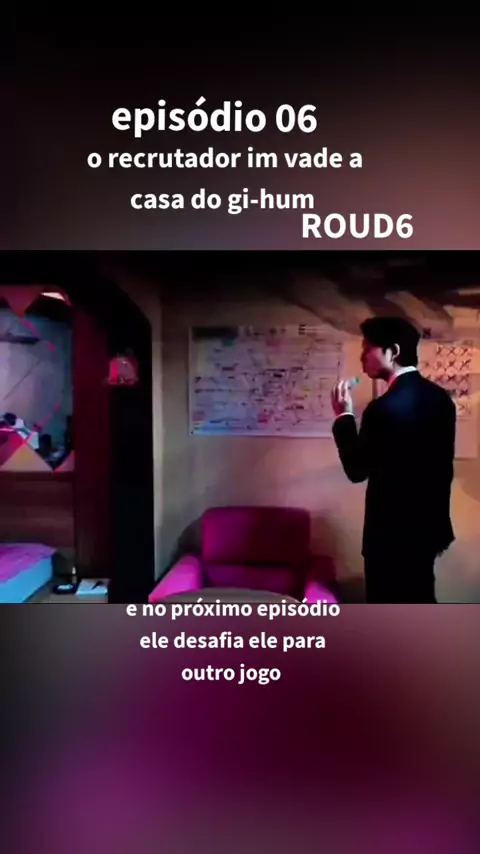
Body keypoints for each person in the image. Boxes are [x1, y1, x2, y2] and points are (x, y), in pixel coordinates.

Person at [331, 316, 456, 604]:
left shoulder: (383, 408)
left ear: (394, 351)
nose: (362, 357)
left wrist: (344, 416)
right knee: (421, 601)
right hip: (428, 529)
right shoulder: (441, 399)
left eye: (368, 348)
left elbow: (356, 470)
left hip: (389, 536)